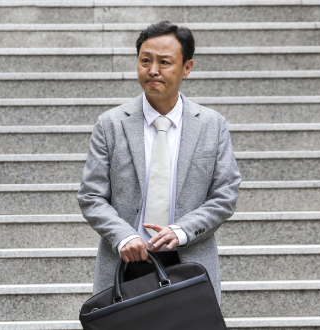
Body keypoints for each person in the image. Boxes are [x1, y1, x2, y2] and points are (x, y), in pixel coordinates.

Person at [77, 21, 241, 302]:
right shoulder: (110, 124)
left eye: (164, 62)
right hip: (125, 262)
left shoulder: (212, 125)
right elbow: (91, 196)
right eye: (145, 60)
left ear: (187, 68)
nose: (153, 70)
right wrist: (124, 236)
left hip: (189, 261)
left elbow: (225, 194)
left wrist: (182, 230)